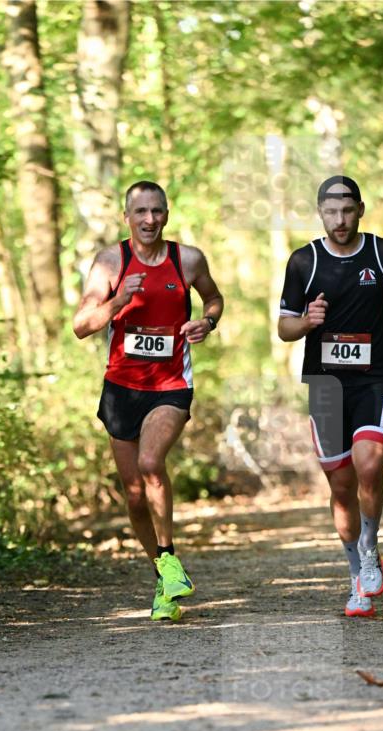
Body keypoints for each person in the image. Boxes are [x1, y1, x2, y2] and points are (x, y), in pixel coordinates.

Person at [73, 180, 223, 622]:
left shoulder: (188, 259)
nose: (150, 220)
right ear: (127, 217)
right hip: (121, 389)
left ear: (167, 214)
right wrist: (119, 299)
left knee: (151, 463)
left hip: (171, 384)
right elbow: (82, 325)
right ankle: (163, 579)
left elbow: (213, 298)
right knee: (134, 495)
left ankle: (170, 557)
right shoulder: (108, 262)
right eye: (141, 212)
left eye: (157, 211)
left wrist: (206, 323)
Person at [278, 176, 383, 617]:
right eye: (331, 211)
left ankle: (371, 545)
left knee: (369, 465)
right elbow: (284, 328)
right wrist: (306, 321)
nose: (340, 220)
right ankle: (357, 579)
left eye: (348, 210)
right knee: (341, 487)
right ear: (321, 212)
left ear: (360, 209)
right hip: (325, 386)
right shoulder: (304, 261)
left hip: (374, 379)